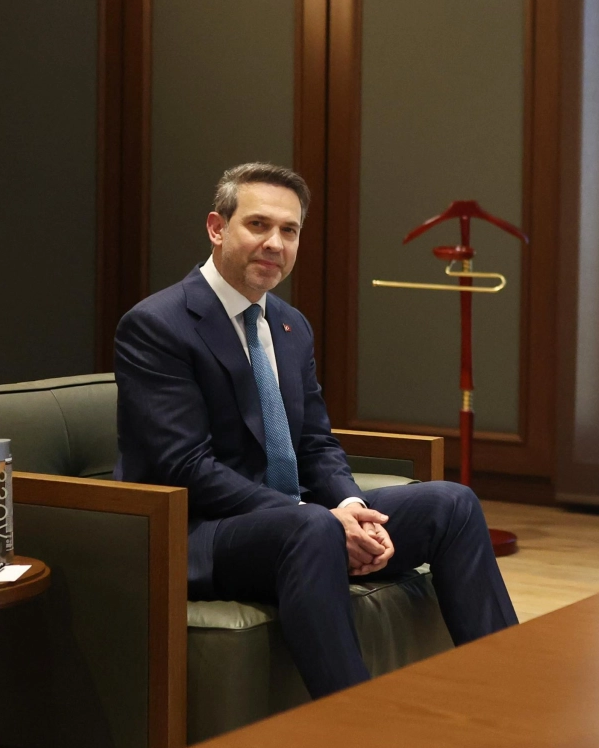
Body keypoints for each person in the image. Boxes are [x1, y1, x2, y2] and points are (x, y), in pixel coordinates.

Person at [115, 162, 516, 697]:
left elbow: (315, 442)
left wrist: (351, 507)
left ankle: (507, 695)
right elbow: (185, 466)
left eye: (290, 230)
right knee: (315, 529)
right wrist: (318, 516)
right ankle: (353, 723)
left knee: (453, 503)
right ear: (216, 228)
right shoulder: (157, 325)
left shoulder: (290, 324)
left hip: (301, 523)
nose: (275, 243)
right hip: (201, 532)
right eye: (258, 225)